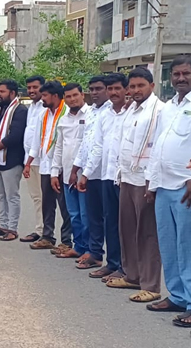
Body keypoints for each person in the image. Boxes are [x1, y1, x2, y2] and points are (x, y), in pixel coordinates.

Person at [105, 68, 163, 304]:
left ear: (152, 85)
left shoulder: (159, 111)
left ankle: (150, 285)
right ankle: (132, 275)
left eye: (141, 85)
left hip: (145, 179)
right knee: (126, 230)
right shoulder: (131, 110)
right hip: (127, 176)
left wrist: (152, 181)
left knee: (147, 233)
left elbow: (158, 148)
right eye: (133, 86)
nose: (136, 90)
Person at [146, 56, 191, 323]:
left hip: (185, 187)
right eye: (176, 74)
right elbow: (158, 145)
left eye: (186, 73)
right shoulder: (169, 107)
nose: (181, 78)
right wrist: (152, 183)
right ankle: (177, 296)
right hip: (163, 186)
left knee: (188, 247)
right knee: (169, 246)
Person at [78, 73, 128, 280]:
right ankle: (113, 263)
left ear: (125, 90)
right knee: (110, 223)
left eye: (117, 89)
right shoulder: (103, 115)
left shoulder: (131, 112)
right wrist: (85, 173)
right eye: (111, 89)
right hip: (106, 175)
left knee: (125, 225)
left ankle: (127, 268)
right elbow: (97, 146)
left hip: (126, 177)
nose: (113, 92)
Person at [25, 81, 72, 252]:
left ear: (55, 96)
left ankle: (67, 241)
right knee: (47, 203)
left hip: (62, 167)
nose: (42, 98)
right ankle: (47, 236)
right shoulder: (43, 115)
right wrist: (29, 162)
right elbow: (37, 141)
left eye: (45, 95)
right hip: (46, 165)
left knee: (65, 206)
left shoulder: (67, 113)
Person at [71, 76, 110, 269]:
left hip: (104, 173)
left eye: (99, 89)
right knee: (93, 216)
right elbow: (86, 144)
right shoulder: (92, 112)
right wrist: (76, 169)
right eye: (92, 89)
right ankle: (95, 254)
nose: (94, 92)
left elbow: (100, 147)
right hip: (89, 172)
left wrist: (85, 173)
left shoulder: (111, 111)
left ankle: (113, 261)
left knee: (107, 219)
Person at [0, 79, 28, 241]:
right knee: (0, 195)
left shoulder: (20, 110)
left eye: (2, 92)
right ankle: (2, 225)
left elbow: (15, 136)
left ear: (13, 93)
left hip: (11, 159)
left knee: (12, 196)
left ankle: (12, 228)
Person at [49, 83, 89, 260]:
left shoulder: (91, 116)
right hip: (66, 176)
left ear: (82, 95)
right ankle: (78, 246)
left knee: (86, 214)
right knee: (73, 214)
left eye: (75, 95)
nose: (72, 99)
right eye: (68, 97)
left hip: (85, 176)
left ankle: (90, 250)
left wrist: (83, 172)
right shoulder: (64, 120)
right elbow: (59, 147)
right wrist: (54, 172)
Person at [20, 76, 47, 243]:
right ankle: (39, 229)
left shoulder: (46, 108)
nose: (31, 91)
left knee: (45, 198)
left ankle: (46, 231)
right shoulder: (31, 107)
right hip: (29, 159)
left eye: (35, 87)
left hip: (42, 159)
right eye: (29, 87)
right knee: (36, 197)